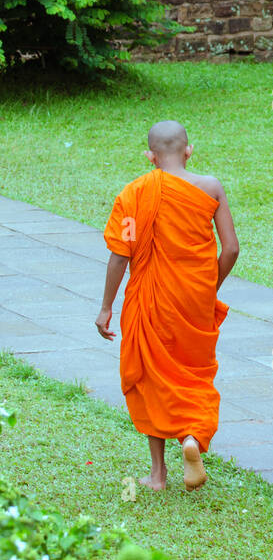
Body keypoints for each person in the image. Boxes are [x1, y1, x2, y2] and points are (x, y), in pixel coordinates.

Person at [96, 120, 240, 492]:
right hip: (194, 300)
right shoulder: (211, 187)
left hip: (150, 300)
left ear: (150, 156)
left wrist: (106, 306)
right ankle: (192, 436)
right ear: (189, 150)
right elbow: (232, 249)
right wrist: (209, 286)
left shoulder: (134, 194)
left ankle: (158, 475)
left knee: (151, 377)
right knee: (193, 372)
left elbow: (119, 255)